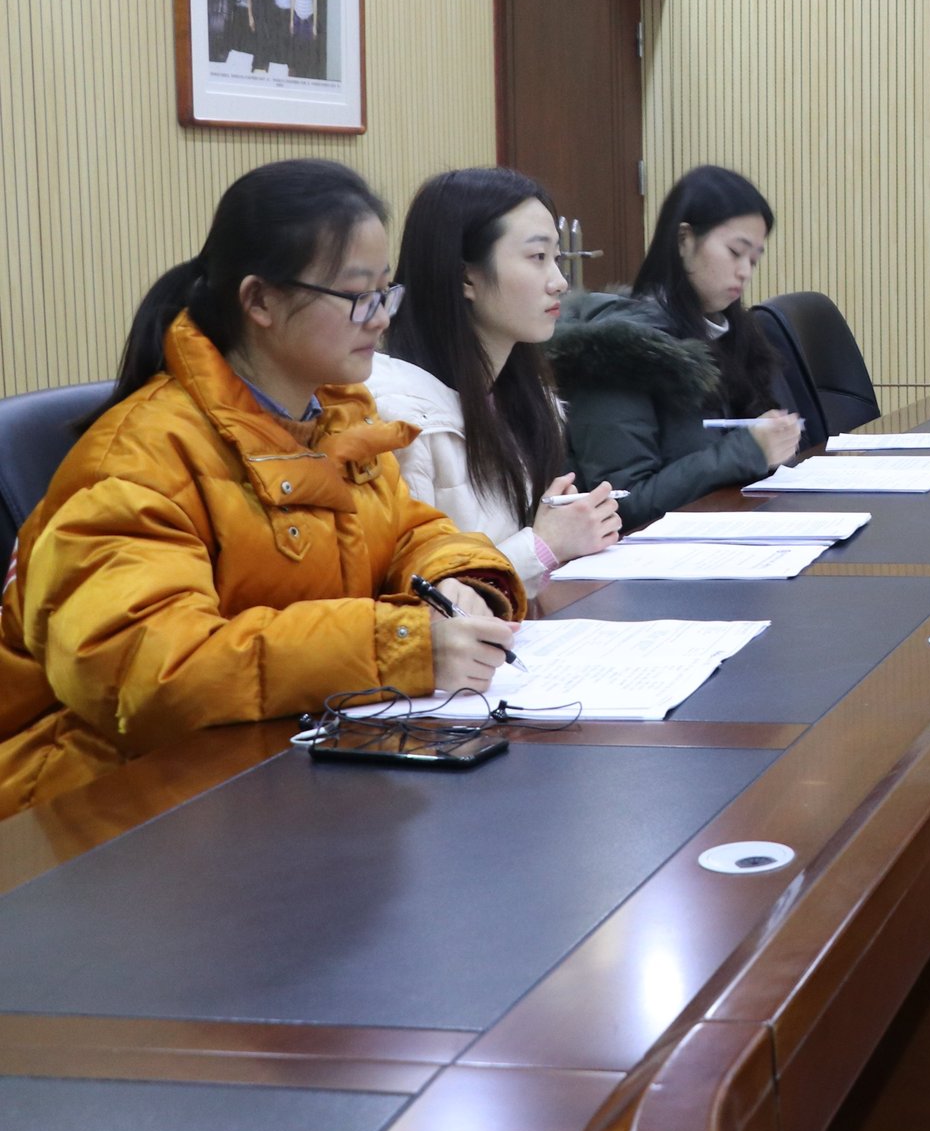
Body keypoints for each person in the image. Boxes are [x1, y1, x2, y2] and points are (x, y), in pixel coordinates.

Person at [0, 160, 527, 817]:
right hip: (103, 802)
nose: (380, 320)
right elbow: (153, 674)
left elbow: (410, 532)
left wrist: (459, 583)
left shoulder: (334, 417)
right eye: (357, 296)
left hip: (274, 769)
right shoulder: (137, 458)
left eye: (386, 293)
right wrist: (400, 646)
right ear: (259, 302)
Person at [371, 169, 621, 593]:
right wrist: (543, 546)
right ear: (466, 277)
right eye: (537, 257)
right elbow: (420, 602)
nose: (560, 282)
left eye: (556, 258)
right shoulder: (398, 420)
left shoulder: (523, 397)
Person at [549, 166, 801, 531]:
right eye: (735, 252)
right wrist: (747, 450)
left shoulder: (730, 335)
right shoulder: (617, 352)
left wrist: (773, 441)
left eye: (753, 259)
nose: (745, 271)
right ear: (684, 240)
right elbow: (621, 502)